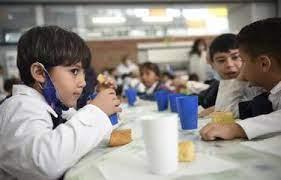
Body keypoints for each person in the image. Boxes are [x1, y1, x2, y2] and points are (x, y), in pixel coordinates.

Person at [0, 26, 121, 180]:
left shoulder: (56, 107)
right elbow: (44, 162)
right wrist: (96, 111)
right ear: (40, 73)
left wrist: (101, 101)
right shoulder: (20, 107)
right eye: (74, 71)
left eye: (83, 72)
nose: (83, 82)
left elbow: (90, 135)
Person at [200, 17, 281, 141]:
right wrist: (240, 80)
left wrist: (238, 128)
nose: (232, 65)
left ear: (264, 64)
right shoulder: (269, 95)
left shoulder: (264, 93)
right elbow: (224, 115)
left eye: (242, 60)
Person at [198, 33, 242, 116]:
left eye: (235, 57)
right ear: (211, 63)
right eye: (221, 60)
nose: (229, 64)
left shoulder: (258, 87)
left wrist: (220, 108)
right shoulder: (217, 86)